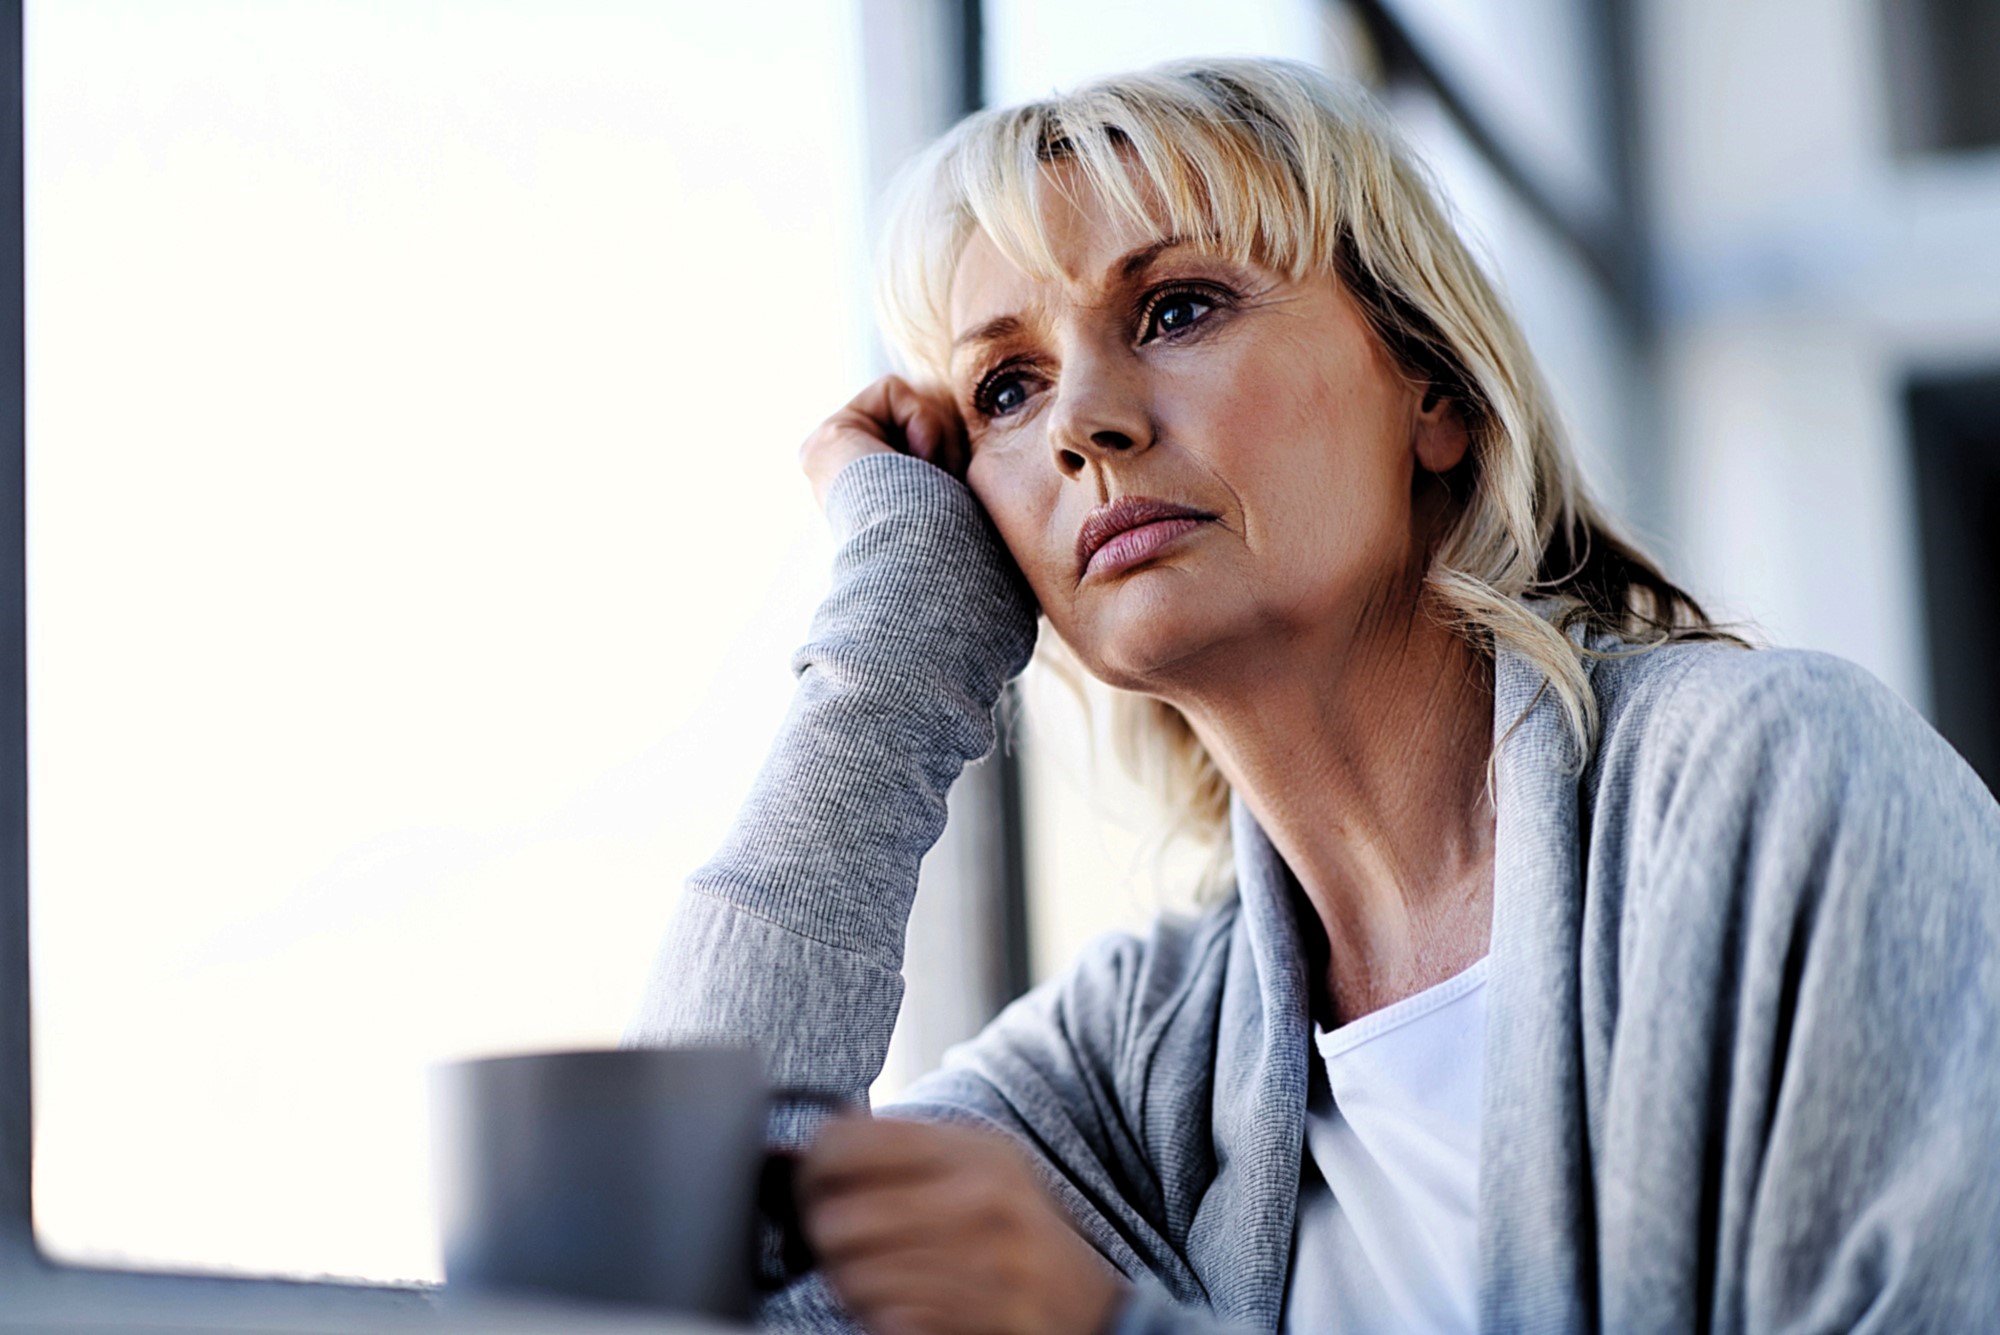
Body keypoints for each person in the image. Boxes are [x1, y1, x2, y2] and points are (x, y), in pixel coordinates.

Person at [627, 57, 2000, 1334]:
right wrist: (894, 640)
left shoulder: (1777, 790)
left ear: (1434, 391)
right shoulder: (1130, 1069)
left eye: (1177, 308)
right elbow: (679, 1272)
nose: (1082, 425)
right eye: (1004, 389)